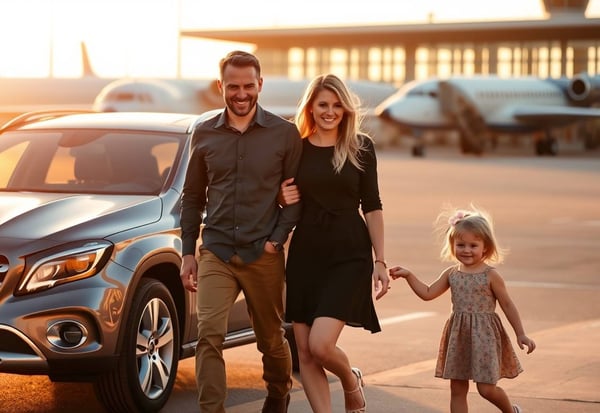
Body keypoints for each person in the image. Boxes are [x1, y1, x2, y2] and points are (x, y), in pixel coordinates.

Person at [179, 50, 302, 413]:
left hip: (262, 253)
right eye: (234, 86)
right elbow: (191, 197)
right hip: (216, 249)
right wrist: (189, 251)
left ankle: (278, 394)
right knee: (208, 337)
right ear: (221, 86)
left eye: (249, 85)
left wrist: (275, 240)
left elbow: (294, 198)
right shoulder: (203, 133)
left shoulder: (284, 134)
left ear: (260, 84)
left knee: (270, 340)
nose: (242, 93)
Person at [280, 73, 390, 413]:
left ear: (345, 109)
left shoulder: (360, 147)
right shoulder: (295, 147)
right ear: (311, 108)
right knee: (306, 352)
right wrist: (282, 198)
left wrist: (380, 261)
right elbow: (284, 200)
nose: (329, 111)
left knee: (322, 346)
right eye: (322, 105)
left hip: (349, 253)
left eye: (336, 105)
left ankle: (349, 378)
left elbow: (372, 206)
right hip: (305, 254)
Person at [389, 206, 536, 413]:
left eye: (473, 245)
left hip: (484, 336)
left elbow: (507, 304)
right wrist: (409, 275)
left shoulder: (490, 275)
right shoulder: (452, 273)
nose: (466, 250)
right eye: (461, 245)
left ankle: (511, 411)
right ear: (452, 246)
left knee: (486, 389)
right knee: (457, 388)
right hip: (459, 336)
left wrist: (521, 334)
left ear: (485, 247)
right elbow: (428, 293)